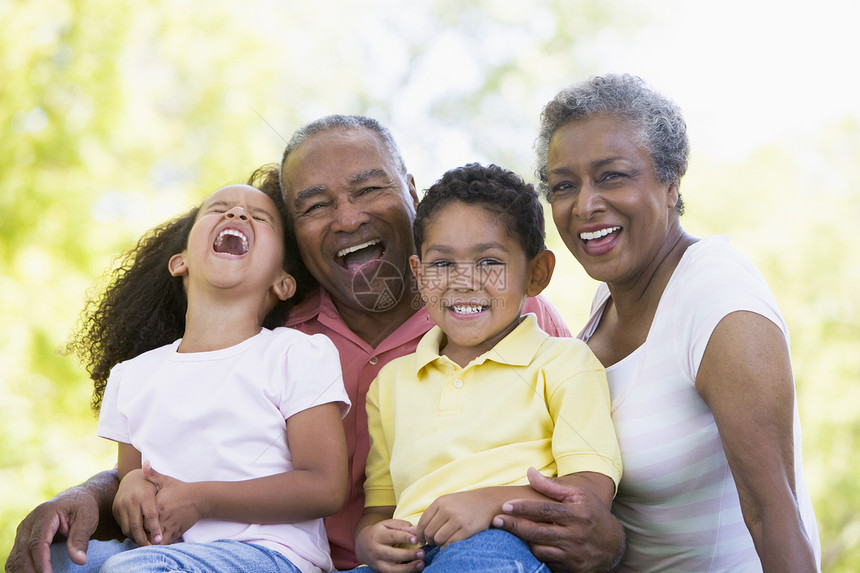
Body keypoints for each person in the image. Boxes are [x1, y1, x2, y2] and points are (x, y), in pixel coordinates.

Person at [7, 116, 570, 573]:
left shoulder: (507, 315)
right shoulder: (274, 336)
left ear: (412, 194)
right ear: (294, 238)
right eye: (315, 205)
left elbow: (589, 454)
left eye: (369, 188)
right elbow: (164, 453)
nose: (347, 217)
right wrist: (92, 492)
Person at [492, 73, 822, 572]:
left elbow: (773, 512)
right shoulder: (605, 304)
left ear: (671, 183)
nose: (584, 205)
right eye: (563, 185)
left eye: (612, 176)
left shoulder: (716, 295)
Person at [53, 182, 350, 573]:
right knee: (57, 558)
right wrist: (131, 488)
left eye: (259, 218)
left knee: (134, 570)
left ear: (282, 282)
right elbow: (130, 474)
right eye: (219, 209)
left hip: (268, 552)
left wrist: (203, 499)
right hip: (160, 553)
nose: (237, 214)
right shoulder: (133, 375)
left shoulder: (296, 353)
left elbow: (325, 486)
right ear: (180, 262)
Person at [349, 163, 622, 573]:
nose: (463, 281)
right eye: (441, 264)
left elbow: (589, 494)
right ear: (418, 275)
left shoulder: (564, 363)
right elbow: (380, 508)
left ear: (536, 274)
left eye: (489, 261)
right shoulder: (390, 384)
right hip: (415, 553)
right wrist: (371, 542)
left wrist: (490, 501)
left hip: (506, 543)